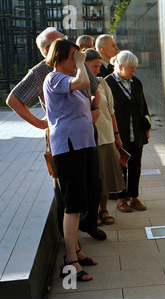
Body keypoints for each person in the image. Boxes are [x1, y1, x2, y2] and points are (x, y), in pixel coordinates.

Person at [6, 27, 106, 241]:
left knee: (94, 178)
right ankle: (70, 239)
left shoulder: (73, 62)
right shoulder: (41, 72)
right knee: (66, 189)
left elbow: (95, 90)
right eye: (59, 42)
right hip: (65, 137)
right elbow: (13, 100)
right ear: (47, 50)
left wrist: (96, 108)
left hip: (86, 130)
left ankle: (89, 224)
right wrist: (41, 123)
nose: (66, 44)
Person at [44, 38, 98, 282]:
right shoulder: (54, 78)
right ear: (61, 57)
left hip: (82, 145)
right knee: (73, 202)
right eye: (73, 56)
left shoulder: (66, 81)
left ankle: (75, 249)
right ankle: (70, 260)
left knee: (81, 198)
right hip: (69, 148)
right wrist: (81, 62)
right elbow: (84, 81)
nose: (78, 60)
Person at [105, 50, 151, 212]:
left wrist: (146, 128)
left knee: (135, 167)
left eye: (134, 67)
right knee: (120, 167)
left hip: (136, 133)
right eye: (131, 67)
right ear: (120, 65)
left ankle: (134, 197)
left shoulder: (135, 82)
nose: (134, 70)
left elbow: (143, 106)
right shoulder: (107, 83)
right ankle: (120, 199)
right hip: (119, 133)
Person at [84, 48, 124, 224]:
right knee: (92, 179)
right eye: (94, 66)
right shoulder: (76, 85)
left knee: (107, 176)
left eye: (99, 66)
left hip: (107, 136)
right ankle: (91, 213)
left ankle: (104, 209)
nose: (97, 70)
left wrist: (116, 135)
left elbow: (111, 111)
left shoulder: (102, 82)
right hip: (88, 140)